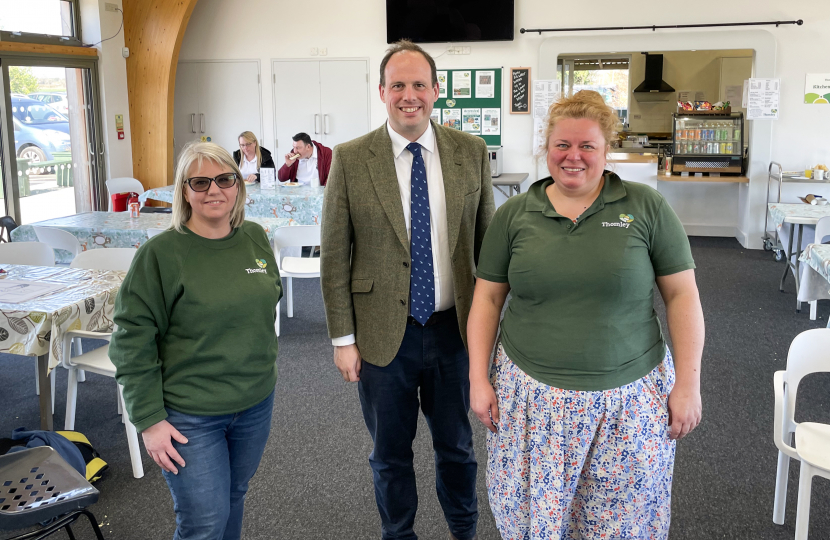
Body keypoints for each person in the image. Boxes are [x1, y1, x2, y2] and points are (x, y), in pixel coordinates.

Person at [467, 90, 705, 539]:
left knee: (621, 523)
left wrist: (688, 384)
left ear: (606, 149)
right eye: (562, 145)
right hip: (529, 404)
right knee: (532, 520)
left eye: (587, 146)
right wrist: (478, 378)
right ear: (546, 147)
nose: (572, 156)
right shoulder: (514, 215)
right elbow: (487, 300)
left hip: (628, 401)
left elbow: (682, 297)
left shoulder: (646, 207)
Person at [320, 40, 494, 540]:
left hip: (453, 333)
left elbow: (491, 251)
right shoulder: (352, 159)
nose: (409, 95)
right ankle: (398, 535)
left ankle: (465, 531)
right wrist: (342, 339)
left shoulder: (470, 152)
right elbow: (335, 256)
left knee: (458, 448)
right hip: (379, 338)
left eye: (419, 84)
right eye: (398, 85)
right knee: (390, 455)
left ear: (437, 91)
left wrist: (496, 335)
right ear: (382, 92)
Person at [109, 141, 282, 540]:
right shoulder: (161, 254)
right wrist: (149, 420)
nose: (214, 190)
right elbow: (131, 340)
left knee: (234, 497)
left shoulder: (254, 238)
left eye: (224, 179)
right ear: (183, 191)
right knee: (203, 521)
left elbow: (265, 301)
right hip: (191, 415)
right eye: (200, 182)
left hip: (255, 402)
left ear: (238, 184)